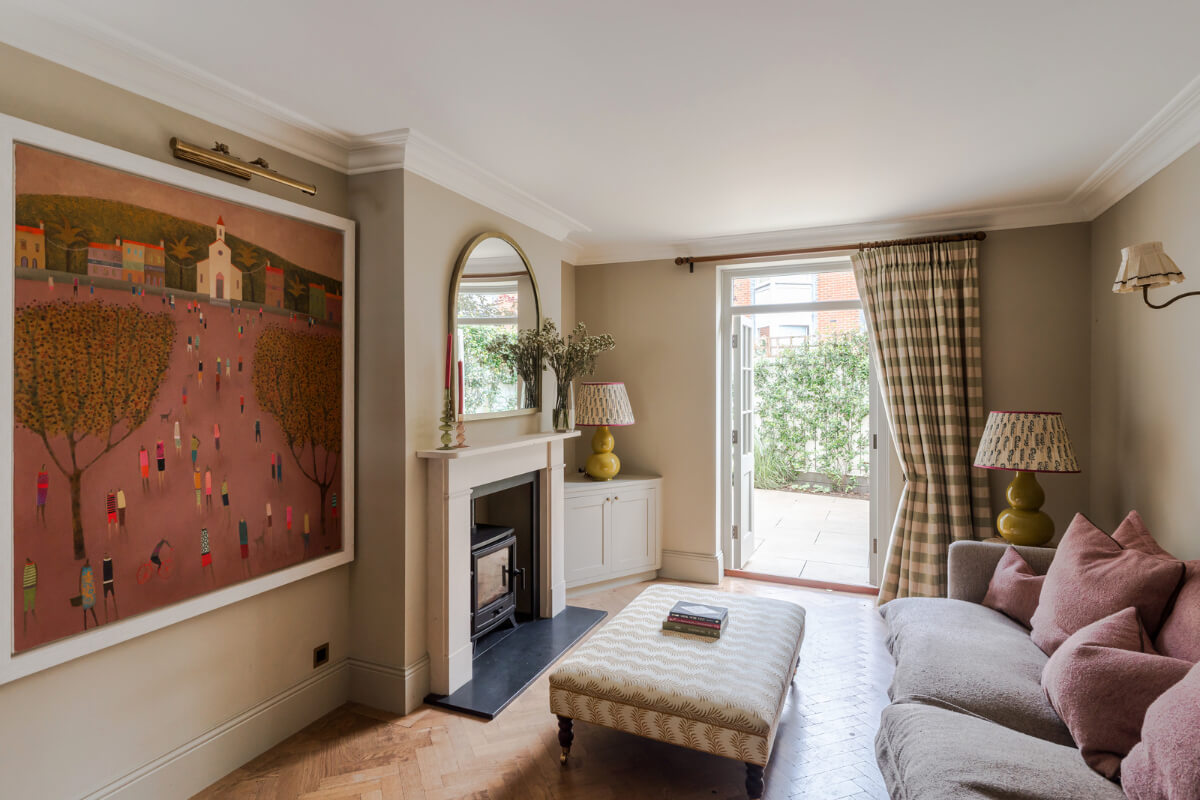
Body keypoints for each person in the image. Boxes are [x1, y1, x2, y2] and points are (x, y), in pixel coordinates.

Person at [80, 560, 99, 629]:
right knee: (89, 610)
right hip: (88, 595)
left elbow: (85, 584)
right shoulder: (87, 571)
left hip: (88, 595)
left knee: (88, 610)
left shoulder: (86, 571)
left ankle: (88, 626)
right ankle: (93, 625)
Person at [22, 557, 37, 633]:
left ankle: (27, 612)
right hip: (32, 586)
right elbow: (34, 575)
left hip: (26, 587)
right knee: (32, 601)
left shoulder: (26, 567)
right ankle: (32, 611)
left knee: (26, 602)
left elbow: (25, 577)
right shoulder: (33, 565)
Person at [101, 553, 118, 622]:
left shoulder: (106, 561)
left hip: (107, 582)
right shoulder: (107, 561)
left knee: (107, 598)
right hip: (109, 581)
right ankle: (109, 616)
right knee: (110, 598)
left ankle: (107, 617)